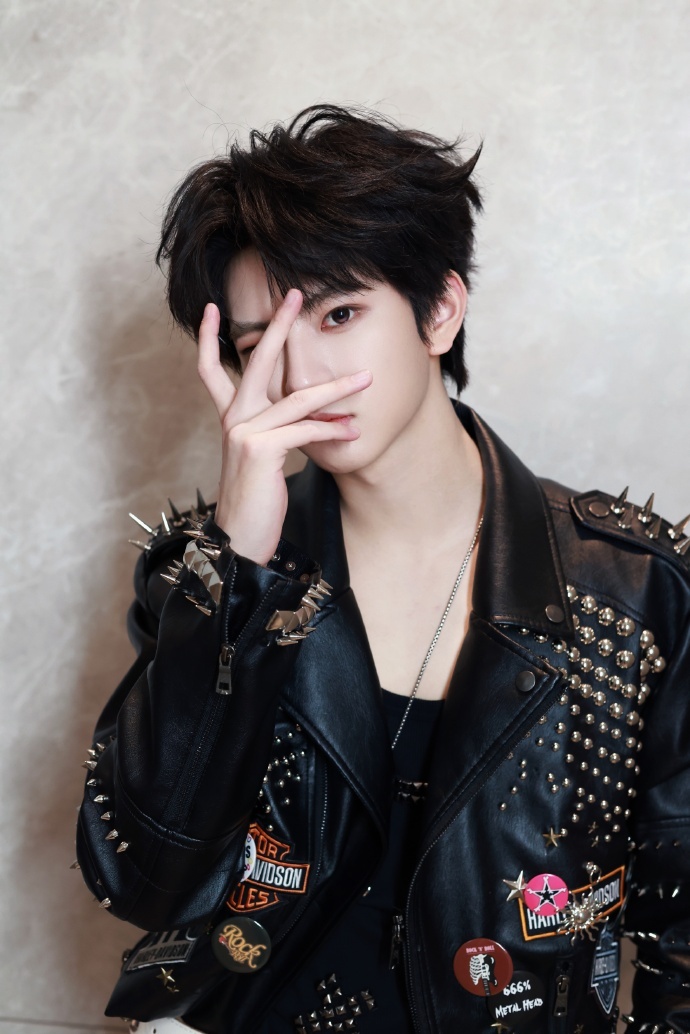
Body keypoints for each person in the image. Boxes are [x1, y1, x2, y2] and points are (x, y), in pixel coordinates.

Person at [75, 104, 690, 1034]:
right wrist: (236, 574)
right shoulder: (204, 576)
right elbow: (139, 878)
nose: (300, 376)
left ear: (440, 309)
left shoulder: (634, 592)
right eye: (260, 345)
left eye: (340, 314)